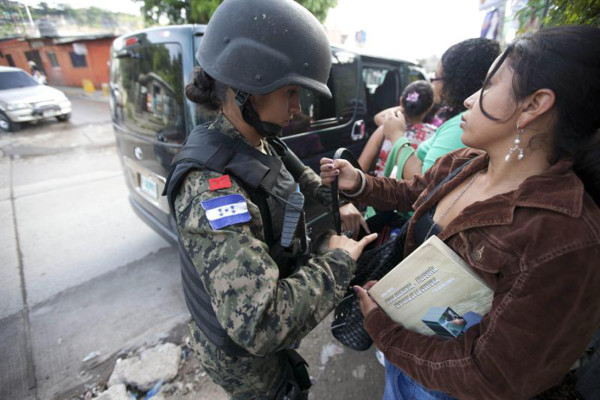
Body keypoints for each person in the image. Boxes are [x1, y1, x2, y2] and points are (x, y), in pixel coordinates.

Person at [320, 25, 600, 400]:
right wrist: (359, 183)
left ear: (535, 105)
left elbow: (491, 374)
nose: (469, 100)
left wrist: (383, 330)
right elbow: (415, 192)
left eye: (488, 86)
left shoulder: (563, 236)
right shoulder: (467, 162)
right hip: (404, 363)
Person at [162, 1, 376, 399]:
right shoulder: (211, 187)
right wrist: (339, 262)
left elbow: (298, 180)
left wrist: (334, 195)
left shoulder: (259, 139)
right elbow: (261, 322)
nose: (298, 108)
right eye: (291, 92)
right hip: (245, 363)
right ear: (247, 86)